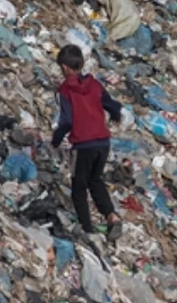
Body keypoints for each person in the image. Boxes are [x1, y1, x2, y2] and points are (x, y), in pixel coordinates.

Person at [50, 44, 124, 241]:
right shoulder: (95, 84)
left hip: (83, 145)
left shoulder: (65, 90)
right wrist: (116, 115)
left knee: (79, 188)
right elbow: (112, 104)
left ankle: (87, 230)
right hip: (103, 142)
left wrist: (55, 140)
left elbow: (67, 120)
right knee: (96, 180)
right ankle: (112, 217)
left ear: (65, 67)